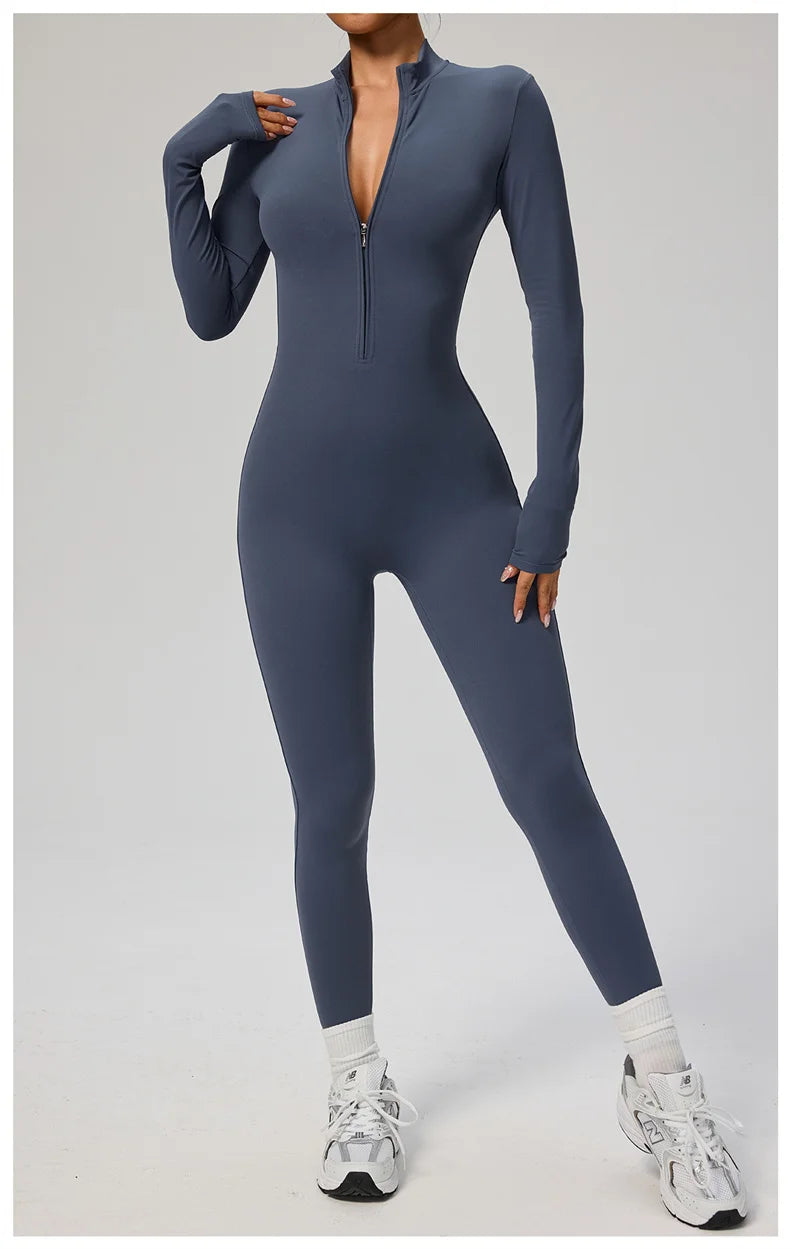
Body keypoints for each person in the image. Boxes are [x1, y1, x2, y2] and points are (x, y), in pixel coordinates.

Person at [162, 11, 748, 1226]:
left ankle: (664, 1086)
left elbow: (553, 305)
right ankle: (357, 1083)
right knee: (331, 803)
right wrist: (185, 158)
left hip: (457, 503)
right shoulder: (274, 126)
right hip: (292, 512)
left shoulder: (501, 103)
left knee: (545, 776)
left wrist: (551, 498)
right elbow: (212, 310)